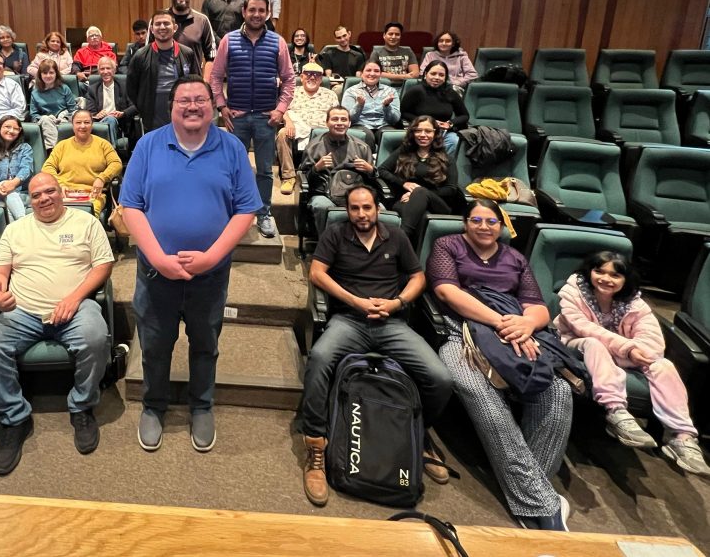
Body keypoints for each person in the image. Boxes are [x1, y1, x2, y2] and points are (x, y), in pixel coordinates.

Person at [120, 76, 260, 453]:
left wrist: (211, 257)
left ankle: (201, 405)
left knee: (205, 343)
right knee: (155, 345)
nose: (193, 106)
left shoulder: (231, 147)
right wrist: (158, 258)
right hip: (156, 273)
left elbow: (246, 209)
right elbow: (131, 206)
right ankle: (154, 405)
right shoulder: (149, 145)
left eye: (200, 99)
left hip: (209, 276)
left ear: (213, 105)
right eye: (184, 100)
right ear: (172, 107)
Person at [300, 185, 454, 506]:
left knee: (440, 378)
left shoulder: (395, 237)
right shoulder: (335, 234)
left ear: (377, 208)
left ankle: (418, 432)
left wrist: (397, 302)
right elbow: (317, 273)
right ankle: (315, 445)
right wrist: (354, 301)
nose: (361, 214)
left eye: (367, 207)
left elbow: (418, 277)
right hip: (349, 321)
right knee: (319, 358)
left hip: (390, 323)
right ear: (347, 210)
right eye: (354, 208)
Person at [428, 198, 573, 532]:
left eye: (491, 221)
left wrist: (525, 325)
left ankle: (532, 496)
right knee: (481, 395)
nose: (484, 227)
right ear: (465, 223)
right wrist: (500, 323)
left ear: (501, 225)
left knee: (559, 392)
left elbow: (537, 306)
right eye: (476, 220)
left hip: (518, 338)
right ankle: (544, 505)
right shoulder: (448, 246)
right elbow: (447, 292)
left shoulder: (515, 258)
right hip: (462, 337)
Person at [0, 172, 114, 474]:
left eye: (50, 191)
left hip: (75, 307)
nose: (44, 199)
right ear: (29, 200)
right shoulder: (15, 230)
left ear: (61, 191)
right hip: (23, 310)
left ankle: (82, 406)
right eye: (36, 195)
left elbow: (103, 265)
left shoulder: (86, 222)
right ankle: (14, 418)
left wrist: (74, 298)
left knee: (95, 336)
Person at [555, 251, 710, 476]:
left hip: (622, 354)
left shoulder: (635, 303)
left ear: (625, 279)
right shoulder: (573, 292)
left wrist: (631, 352)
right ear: (590, 272)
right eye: (599, 271)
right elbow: (582, 328)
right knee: (594, 344)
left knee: (663, 365)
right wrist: (627, 349)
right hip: (576, 346)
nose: (606, 279)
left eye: (615, 275)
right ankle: (615, 410)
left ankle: (682, 435)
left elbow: (653, 342)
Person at [209, 0, 296, 238]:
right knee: (233, 168)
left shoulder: (278, 42)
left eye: (261, 10)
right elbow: (215, 76)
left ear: (267, 13)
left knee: (265, 171)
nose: (257, 15)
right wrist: (221, 106)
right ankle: (234, 213)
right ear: (244, 12)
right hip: (236, 117)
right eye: (252, 10)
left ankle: (264, 214)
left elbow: (289, 80)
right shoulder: (229, 40)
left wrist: (280, 109)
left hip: (266, 118)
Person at [378, 116, 460, 240]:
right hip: (404, 200)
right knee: (422, 217)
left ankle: (400, 240)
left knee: (420, 193)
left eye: (428, 131)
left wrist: (418, 193)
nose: (422, 135)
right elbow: (382, 170)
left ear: (435, 133)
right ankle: (410, 249)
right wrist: (403, 184)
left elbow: (451, 189)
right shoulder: (403, 152)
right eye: (418, 130)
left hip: (437, 203)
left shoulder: (446, 158)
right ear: (412, 133)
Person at [300, 106, 377, 236]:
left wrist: (369, 170)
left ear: (349, 123)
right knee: (321, 205)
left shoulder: (362, 147)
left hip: (356, 194)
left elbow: (374, 179)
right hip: (324, 194)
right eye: (335, 119)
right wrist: (316, 168)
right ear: (327, 122)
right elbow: (303, 178)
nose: (340, 123)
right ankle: (327, 244)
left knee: (380, 208)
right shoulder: (314, 147)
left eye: (343, 119)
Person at [126, 10, 201, 132]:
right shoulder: (140, 56)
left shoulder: (187, 53)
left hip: (183, 115)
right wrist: (143, 106)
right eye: (158, 24)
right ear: (152, 29)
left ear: (175, 27)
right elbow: (131, 88)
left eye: (166, 23)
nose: (162, 27)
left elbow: (196, 83)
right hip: (152, 119)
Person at [42, 109, 123, 217]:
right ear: (72, 125)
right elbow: (47, 167)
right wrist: (58, 184)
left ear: (92, 124)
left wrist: (102, 178)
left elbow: (116, 164)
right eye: (78, 122)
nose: (82, 126)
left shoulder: (103, 144)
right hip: (65, 193)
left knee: (85, 217)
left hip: (92, 194)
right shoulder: (62, 145)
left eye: (87, 122)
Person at [276, 62, 337, 195]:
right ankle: (289, 177)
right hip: (296, 128)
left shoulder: (330, 94)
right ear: (302, 77)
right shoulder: (291, 92)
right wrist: (288, 122)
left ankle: (328, 177)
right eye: (308, 74)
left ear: (321, 79)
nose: (312, 77)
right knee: (282, 133)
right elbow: (281, 110)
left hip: (322, 131)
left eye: (316, 75)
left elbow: (336, 114)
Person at [400, 61, 469, 155]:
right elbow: (404, 113)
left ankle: (443, 163)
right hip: (420, 131)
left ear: (445, 77)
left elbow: (464, 115)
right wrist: (427, 122)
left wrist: (449, 124)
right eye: (433, 74)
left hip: (442, 132)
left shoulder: (451, 93)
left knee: (455, 141)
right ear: (425, 74)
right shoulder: (415, 91)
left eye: (441, 75)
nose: (437, 77)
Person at [162, 0, 217, 77]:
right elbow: (148, 56)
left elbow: (211, 56)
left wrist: (205, 83)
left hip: (193, 83)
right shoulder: (159, 21)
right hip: (165, 83)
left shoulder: (202, 21)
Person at [0, 115, 32, 220]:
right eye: (7, 127)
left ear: (20, 131)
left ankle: (21, 221)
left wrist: (12, 184)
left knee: (9, 195)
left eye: (15, 128)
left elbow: (26, 169)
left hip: (21, 192)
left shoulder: (25, 148)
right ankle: (21, 224)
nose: (11, 131)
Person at [342, 61, 400, 150]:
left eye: (376, 71)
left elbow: (395, 120)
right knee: (366, 136)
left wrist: (387, 106)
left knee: (392, 137)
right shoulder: (351, 91)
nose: (372, 74)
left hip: (384, 125)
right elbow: (348, 119)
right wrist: (359, 105)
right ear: (361, 74)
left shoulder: (390, 91)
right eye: (368, 70)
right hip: (360, 125)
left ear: (380, 74)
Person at [85, 56, 137, 145]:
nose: (105, 72)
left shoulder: (124, 86)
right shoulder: (93, 89)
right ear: (99, 71)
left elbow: (135, 106)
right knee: (108, 120)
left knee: (111, 119)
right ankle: (111, 150)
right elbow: (90, 112)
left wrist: (123, 113)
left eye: (108, 68)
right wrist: (97, 115)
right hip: (100, 124)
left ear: (114, 70)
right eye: (102, 69)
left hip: (120, 125)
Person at [30, 59, 78, 150]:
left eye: (51, 72)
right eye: (45, 73)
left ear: (56, 74)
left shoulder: (64, 88)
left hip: (63, 121)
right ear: (40, 75)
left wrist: (62, 118)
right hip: (45, 123)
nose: (48, 75)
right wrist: (48, 118)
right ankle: (57, 150)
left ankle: (53, 151)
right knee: (46, 119)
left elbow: (73, 110)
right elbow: (33, 115)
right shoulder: (35, 92)